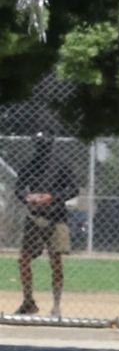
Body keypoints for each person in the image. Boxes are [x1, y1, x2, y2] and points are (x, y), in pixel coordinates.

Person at [14, 131, 77, 320]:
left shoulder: (61, 164)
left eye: (45, 144)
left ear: (51, 145)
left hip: (56, 216)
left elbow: (73, 189)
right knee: (24, 259)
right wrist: (27, 197)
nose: (41, 148)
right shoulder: (30, 165)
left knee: (55, 260)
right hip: (34, 217)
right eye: (39, 144)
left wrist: (52, 197)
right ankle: (28, 301)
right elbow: (18, 188)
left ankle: (56, 305)